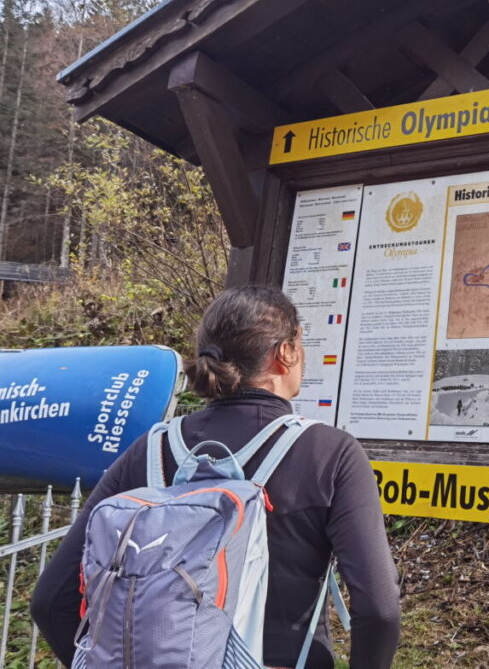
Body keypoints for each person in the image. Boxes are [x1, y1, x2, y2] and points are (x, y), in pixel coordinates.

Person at [31, 286, 400, 669]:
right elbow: (379, 608)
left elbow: (51, 600)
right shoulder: (328, 451)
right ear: (285, 353)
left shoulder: (151, 449)